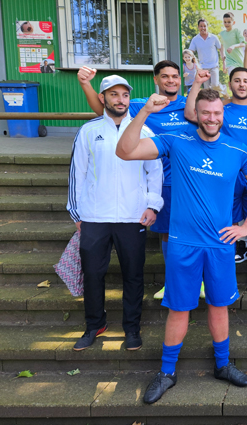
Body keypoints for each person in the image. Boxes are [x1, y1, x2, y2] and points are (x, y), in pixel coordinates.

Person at [116, 88, 247, 403]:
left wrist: (246, 226)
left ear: (222, 114)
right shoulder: (177, 141)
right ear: (196, 113)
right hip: (183, 244)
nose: (212, 118)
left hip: (219, 245)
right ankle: (167, 373)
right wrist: (143, 112)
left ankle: (223, 365)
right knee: (179, 308)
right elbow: (125, 151)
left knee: (219, 305)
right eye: (206, 112)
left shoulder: (237, 149)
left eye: (217, 113)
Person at [77, 60, 195, 301]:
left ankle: (195, 280)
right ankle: (171, 282)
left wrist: (199, 83)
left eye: (175, 76)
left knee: (191, 231)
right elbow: (105, 110)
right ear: (156, 79)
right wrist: (85, 84)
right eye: (165, 76)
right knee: (167, 234)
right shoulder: (142, 105)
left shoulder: (188, 104)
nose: (170, 80)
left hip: (189, 179)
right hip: (164, 182)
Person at [67, 75, 163, 352]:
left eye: (124, 95)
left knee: (133, 275)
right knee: (93, 274)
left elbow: (154, 171)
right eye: (113, 95)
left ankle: (132, 328)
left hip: (133, 217)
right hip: (95, 216)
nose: (120, 100)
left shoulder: (144, 131)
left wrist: (152, 205)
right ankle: (94, 324)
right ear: (102, 98)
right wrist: (77, 214)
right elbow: (78, 173)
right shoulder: (88, 131)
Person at [185, 67, 247, 298]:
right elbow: (192, 115)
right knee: (226, 226)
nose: (242, 84)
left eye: (246, 80)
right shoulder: (221, 109)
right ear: (230, 83)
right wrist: (196, 84)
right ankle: (223, 279)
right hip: (227, 177)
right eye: (237, 80)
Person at [190, 19, 225, 89]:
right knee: (207, 88)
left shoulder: (213, 37)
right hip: (203, 67)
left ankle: (223, 88)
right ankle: (210, 100)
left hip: (214, 66)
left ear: (207, 26)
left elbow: (221, 48)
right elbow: (191, 52)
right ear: (198, 27)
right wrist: (194, 64)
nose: (203, 28)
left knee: (215, 85)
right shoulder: (195, 39)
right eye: (201, 26)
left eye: (204, 26)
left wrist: (224, 62)